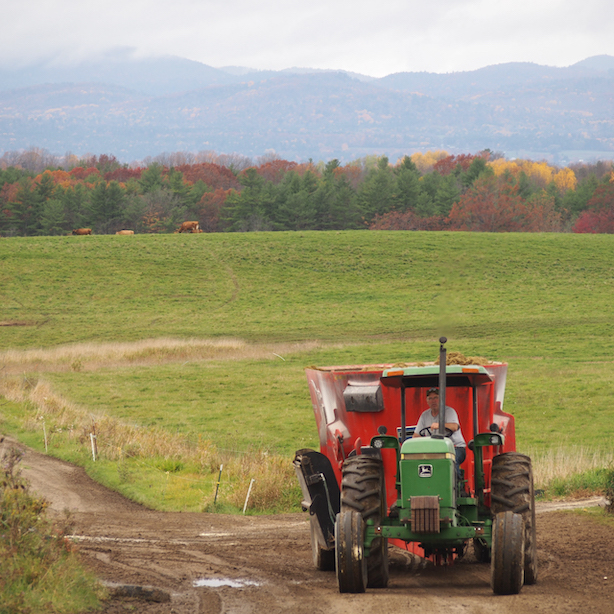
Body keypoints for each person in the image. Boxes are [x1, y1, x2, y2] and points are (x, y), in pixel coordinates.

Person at [413, 387, 467, 480]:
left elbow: (454, 426)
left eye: (436, 398)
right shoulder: (424, 415)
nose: (433, 401)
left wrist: (439, 425)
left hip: (455, 448)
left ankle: (457, 488)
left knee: (451, 461)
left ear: (441, 399)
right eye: (430, 398)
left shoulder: (449, 412)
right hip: (433, 449)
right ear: (427, 401)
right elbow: (416, 435)